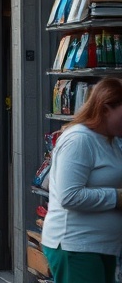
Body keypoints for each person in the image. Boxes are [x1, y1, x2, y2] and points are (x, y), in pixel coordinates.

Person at [40, 77, 122, 283]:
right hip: (76, 246)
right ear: (106, 109)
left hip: (100, 246)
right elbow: (69, 196)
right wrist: (116, 197)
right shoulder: (79, 140)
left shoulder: (111, 140)